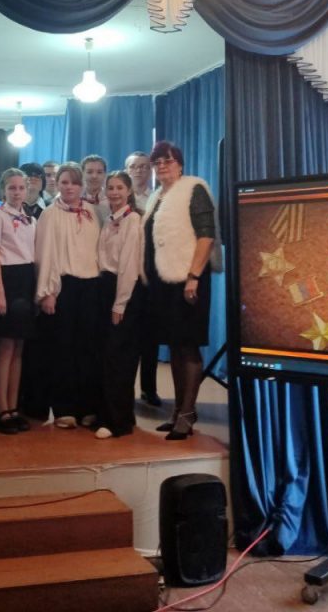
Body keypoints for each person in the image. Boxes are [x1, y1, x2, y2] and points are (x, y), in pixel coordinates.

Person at [144, 141, 219, 440]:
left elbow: (207, 236)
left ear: (180, 163)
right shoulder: (156, 196)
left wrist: (193, 276)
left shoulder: (194, 189)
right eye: (158, 162)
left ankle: (188, 412)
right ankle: (178, 410)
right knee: (175, 346)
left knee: (188, 346)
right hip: (164, 282)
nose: (163, 166)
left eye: (169, 160)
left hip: (188, 280)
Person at [35, 162, 101, 429]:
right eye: (64, 182)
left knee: (88, 349)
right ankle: (65, 408)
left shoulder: (92, 212)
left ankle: (87, 406)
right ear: (57, 184)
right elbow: (45, 255)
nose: (69, 187)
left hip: (91, 287)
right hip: (63, 287)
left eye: (74, 182)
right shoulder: (50, 214)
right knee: (62, 349)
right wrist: (47, 292)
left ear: (82, 185)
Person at [0, 168, 36, 434]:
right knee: (5, 348)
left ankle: (14, 407)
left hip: (26, 281)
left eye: (21, 188)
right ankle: (1, 408)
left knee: (19, 349)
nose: (17, 192)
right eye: (12, 188)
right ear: (3, 190)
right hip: (7, 280)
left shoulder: (30, 219)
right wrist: (0, 291)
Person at [93, 172, 144, 439]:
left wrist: (120, 304)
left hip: (123, 291)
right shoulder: (109, 219)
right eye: (110, 188)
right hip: (105, 287)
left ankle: (116, 422)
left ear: (129, 191)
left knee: (118, 358)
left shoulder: (132, 220)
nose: (114, 192)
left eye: (119, 188)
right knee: (107, 356)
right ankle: (116, 414)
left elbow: (129, 266)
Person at [125, 150, 159, 406]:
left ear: (150, 170)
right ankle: (124, 389)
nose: (139, 170)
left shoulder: (158, 198)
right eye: (134, 166)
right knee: (126, 336)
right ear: (127, 170)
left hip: (150, 274)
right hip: (125, 272)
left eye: (144, 166)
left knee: (150, 335)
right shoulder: (117, 197)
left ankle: (149, 388)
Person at [81, 154, 110, 224]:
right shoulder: (75, 198)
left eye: (99, 172)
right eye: (89, 172)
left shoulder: (111, 200)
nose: (94, 176)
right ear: (82, 174)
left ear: (105, 175)